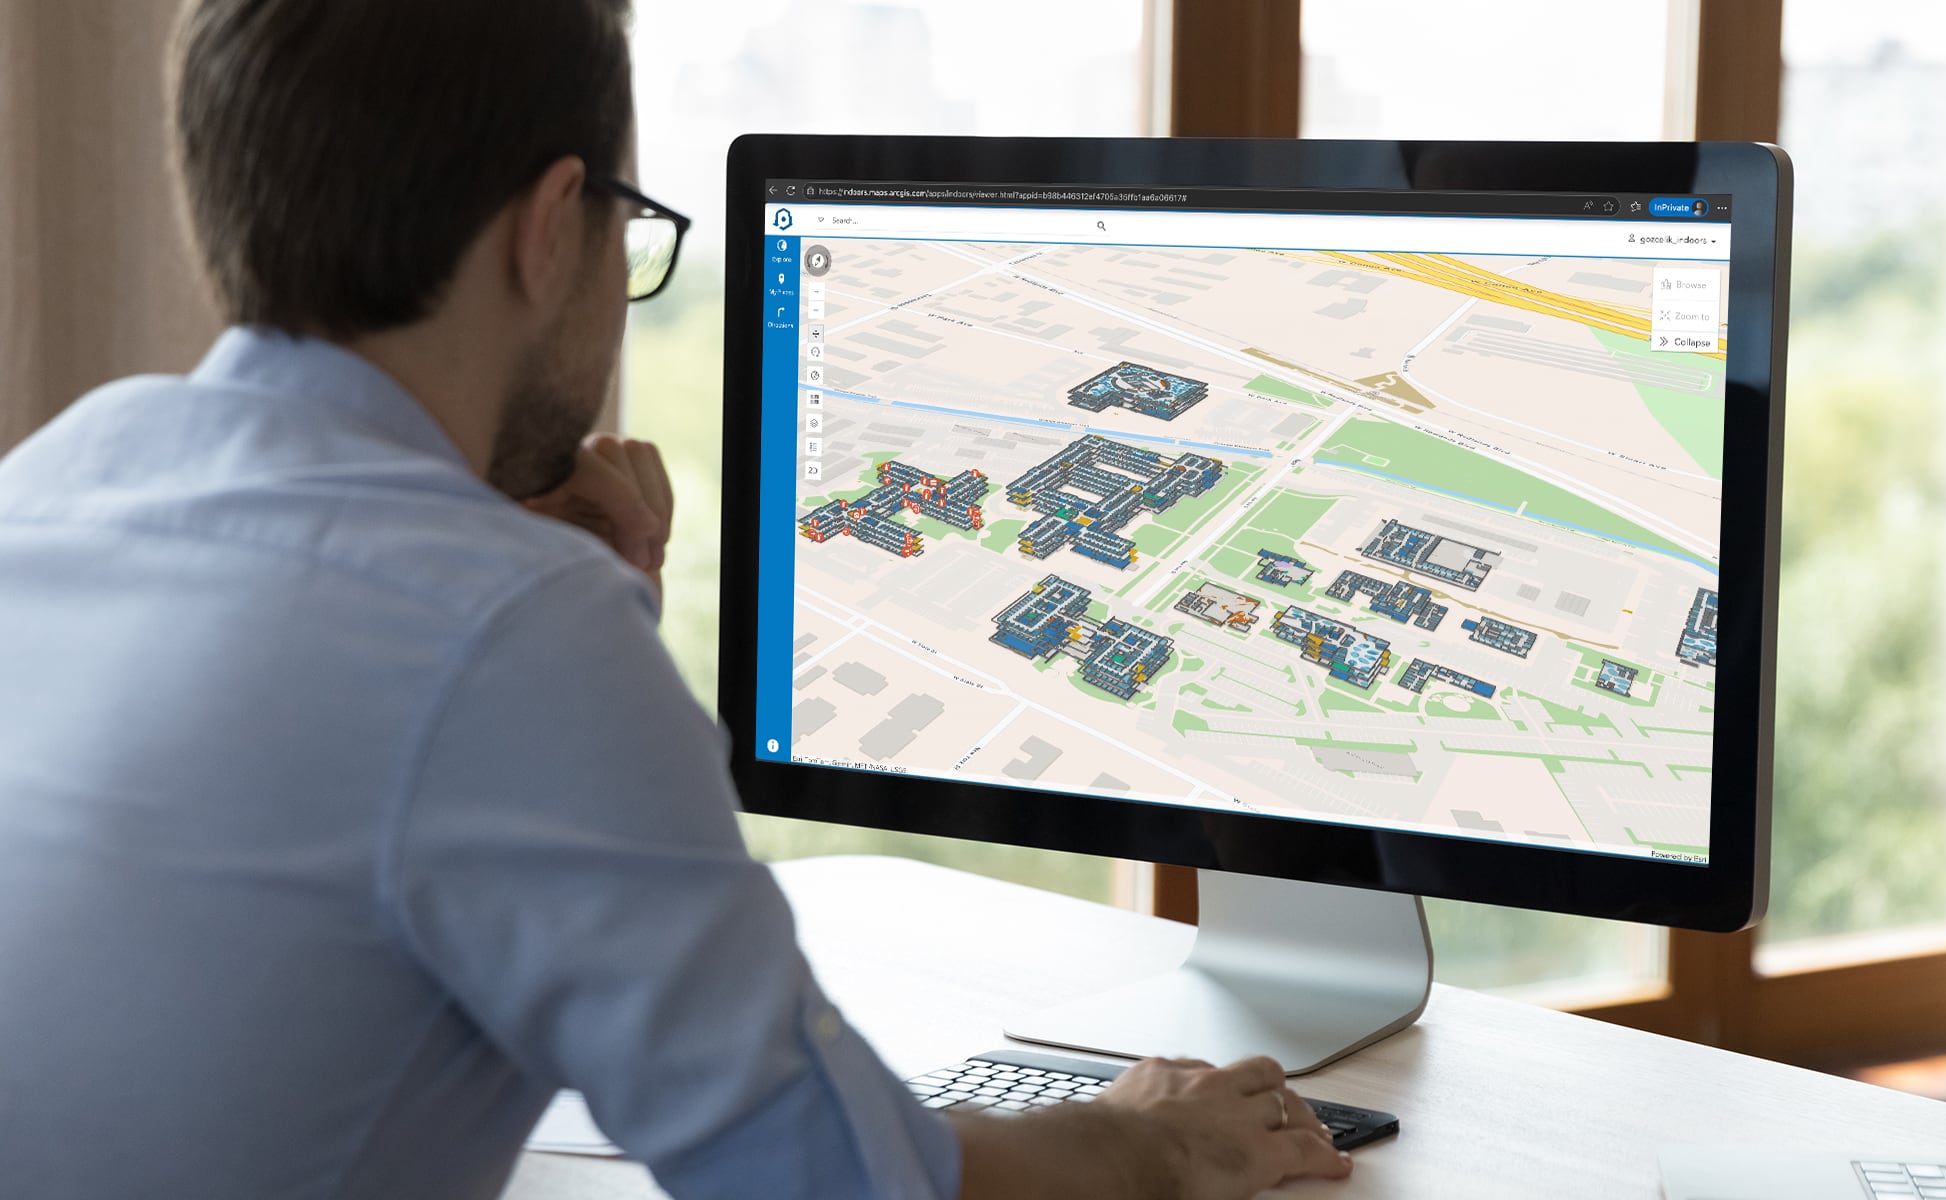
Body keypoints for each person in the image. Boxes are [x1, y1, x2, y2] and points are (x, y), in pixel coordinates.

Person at [0, 1, 1354, 1198]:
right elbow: (830, 1184)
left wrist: (577, 621)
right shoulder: (502, 630)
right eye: (625, 231)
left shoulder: (56, 478)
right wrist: (1151, 1143)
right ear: (548, 227)